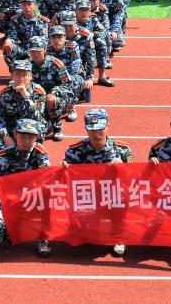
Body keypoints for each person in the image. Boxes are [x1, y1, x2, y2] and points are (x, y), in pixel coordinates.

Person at [63, 108, 133, 256]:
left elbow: (133, 178)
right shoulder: (75, 151)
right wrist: (64, 169)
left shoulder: (122, 149)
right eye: (92, 130)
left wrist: (123, 167)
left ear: (108, 126)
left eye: (100, 129)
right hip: (88, 194)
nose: (96, 134)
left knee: (123, 196)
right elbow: (67, 180)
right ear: (86, 129)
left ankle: (117, 235)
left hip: (112, 194)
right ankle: (85, 226)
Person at [0, 118, 52, 256]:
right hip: (7, 205)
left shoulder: (39, 153)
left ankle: (43, 238)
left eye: (30, 137)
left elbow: (47, 178)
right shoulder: (1, 156)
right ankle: (14, 231)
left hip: (32, 204)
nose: (26, 141)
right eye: (23, 136)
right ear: (15, 134)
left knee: (49, 204)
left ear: (36, 137)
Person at [0, 59, 48, 155]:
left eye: (24, 74)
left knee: (32, 154)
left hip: (31, 130)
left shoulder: (38, 92)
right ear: (12, 76)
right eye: (17, 74)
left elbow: (37, 116)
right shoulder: (5, 93)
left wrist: (25, 95)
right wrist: (6, 137)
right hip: (12, 129)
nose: (21, 78)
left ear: (30, 76)